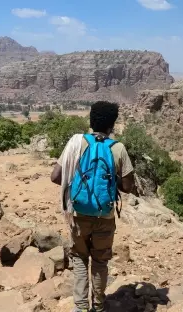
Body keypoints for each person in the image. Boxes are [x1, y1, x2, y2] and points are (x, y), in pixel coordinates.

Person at [51, 101, 135, 312]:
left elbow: (55, 177)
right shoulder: (118, 149)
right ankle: (98, 306)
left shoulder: (76, 143)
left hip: (78, 213)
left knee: (79, 258)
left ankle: (80, 307)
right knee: (100, 261)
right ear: (112, 125)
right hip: (105, 216)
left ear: (91, 120)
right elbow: (127, 187)